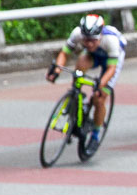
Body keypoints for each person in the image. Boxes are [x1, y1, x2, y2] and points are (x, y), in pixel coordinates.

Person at [45, 14, 126, 153]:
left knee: (99, 98)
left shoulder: (111, 40)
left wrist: (100, 85)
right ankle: (76, 95)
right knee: (80, 65)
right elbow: (64, 53)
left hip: (112, 60)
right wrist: (57, 70)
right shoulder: (77, 33)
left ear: (100, 36)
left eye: (93, 41)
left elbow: (111, 69)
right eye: (86, 40)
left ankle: (95, 136)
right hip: (94, 56)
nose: (89, 44)